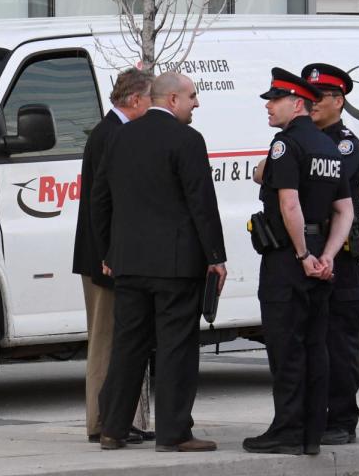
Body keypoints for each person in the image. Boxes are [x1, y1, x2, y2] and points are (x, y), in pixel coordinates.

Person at [91, 72, 227, 452]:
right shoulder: (187, 140)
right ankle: (173, 433)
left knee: (127, 346)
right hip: (175, 265)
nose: (196, 103)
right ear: (171, 100)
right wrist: (216, 257)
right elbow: (201, 203)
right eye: (192, 97)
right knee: (176, 348)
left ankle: (113, 428)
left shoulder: (119, 136)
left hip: (129, 262)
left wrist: (108, 252)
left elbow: (99, 199)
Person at [243, 68, 354, 456]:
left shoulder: (286, 145)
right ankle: (311, 433)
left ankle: (287, 430)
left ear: (297, 103)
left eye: (274, 100)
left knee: (287, 347)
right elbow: (344, 211)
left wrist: (305, 256)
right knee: (315, 347)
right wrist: (327, 255)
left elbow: (289, 202)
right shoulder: (328, 147)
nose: (269, 107)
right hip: (321, 256)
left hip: (289, 261)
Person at [72, 68, 154, 446]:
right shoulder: (113, 135)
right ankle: (103, 420)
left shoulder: (110, 131)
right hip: (104, 259)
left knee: (116, 340)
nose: (152, 107)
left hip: (106, 255)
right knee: (105, 342)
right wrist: (110, 254)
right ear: (135, 100)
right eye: (150, 99)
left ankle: (115, 418)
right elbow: (101, 203)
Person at [302, 63, 359, 446]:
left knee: (338, 342)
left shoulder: (344, 145)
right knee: (313, 339)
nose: (311, 103)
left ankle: (341, 419)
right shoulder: (308, 140)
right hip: (313, 253)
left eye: (320, 97)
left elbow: (322, 188)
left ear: (339, 101)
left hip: (340, 257)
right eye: (307, 97)